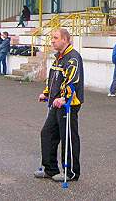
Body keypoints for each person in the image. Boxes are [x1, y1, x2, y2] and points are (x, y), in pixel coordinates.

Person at [35, 28, 84, 182]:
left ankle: (70, 172)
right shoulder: (58, 58)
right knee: (47, 133)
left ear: (65, 39)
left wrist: (64, 98)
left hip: (68, 105)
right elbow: (54, 78)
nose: (53, 40)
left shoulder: (73, 58)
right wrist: (47, 93)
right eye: (52, 38)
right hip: (55, 104)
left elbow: (72, 81)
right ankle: (50, 169)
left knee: (68, 137)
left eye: (56, 38)